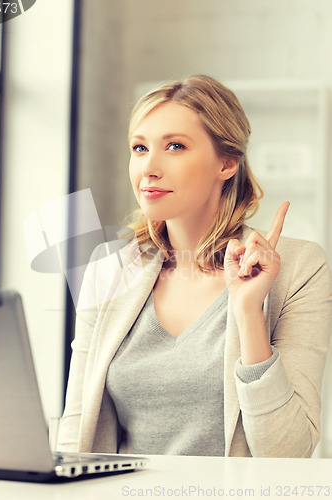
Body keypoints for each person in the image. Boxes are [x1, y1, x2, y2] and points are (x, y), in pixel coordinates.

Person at [57, 75, 332, 457]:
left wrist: (249, 312)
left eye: (174, 146)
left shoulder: (300, 268)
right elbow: (77, 427)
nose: (148, 168)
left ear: (227, 162)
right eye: (139, 148)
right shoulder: (108, 273)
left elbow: (289, 453)